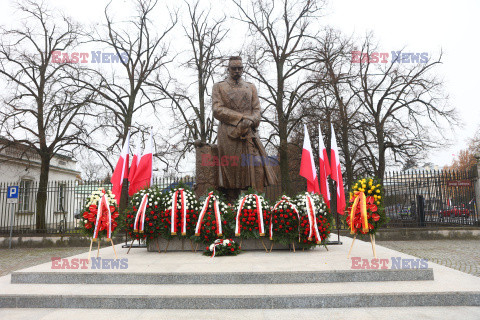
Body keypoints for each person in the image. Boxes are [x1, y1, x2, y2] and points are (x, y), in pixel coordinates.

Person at [212, 56, 277, 200]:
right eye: (233, 68)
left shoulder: (250, 86)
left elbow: (257, 109)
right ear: (228, 69)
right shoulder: (219, 86)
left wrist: (252, 120)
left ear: (242, 68)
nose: (237, 71)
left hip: (249, 133)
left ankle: (256, 204)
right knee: (232, 174)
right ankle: (230, 209)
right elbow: (217, 109)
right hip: (228, 135)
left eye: (239, 68)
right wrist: (241, 118)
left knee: (257, 166)